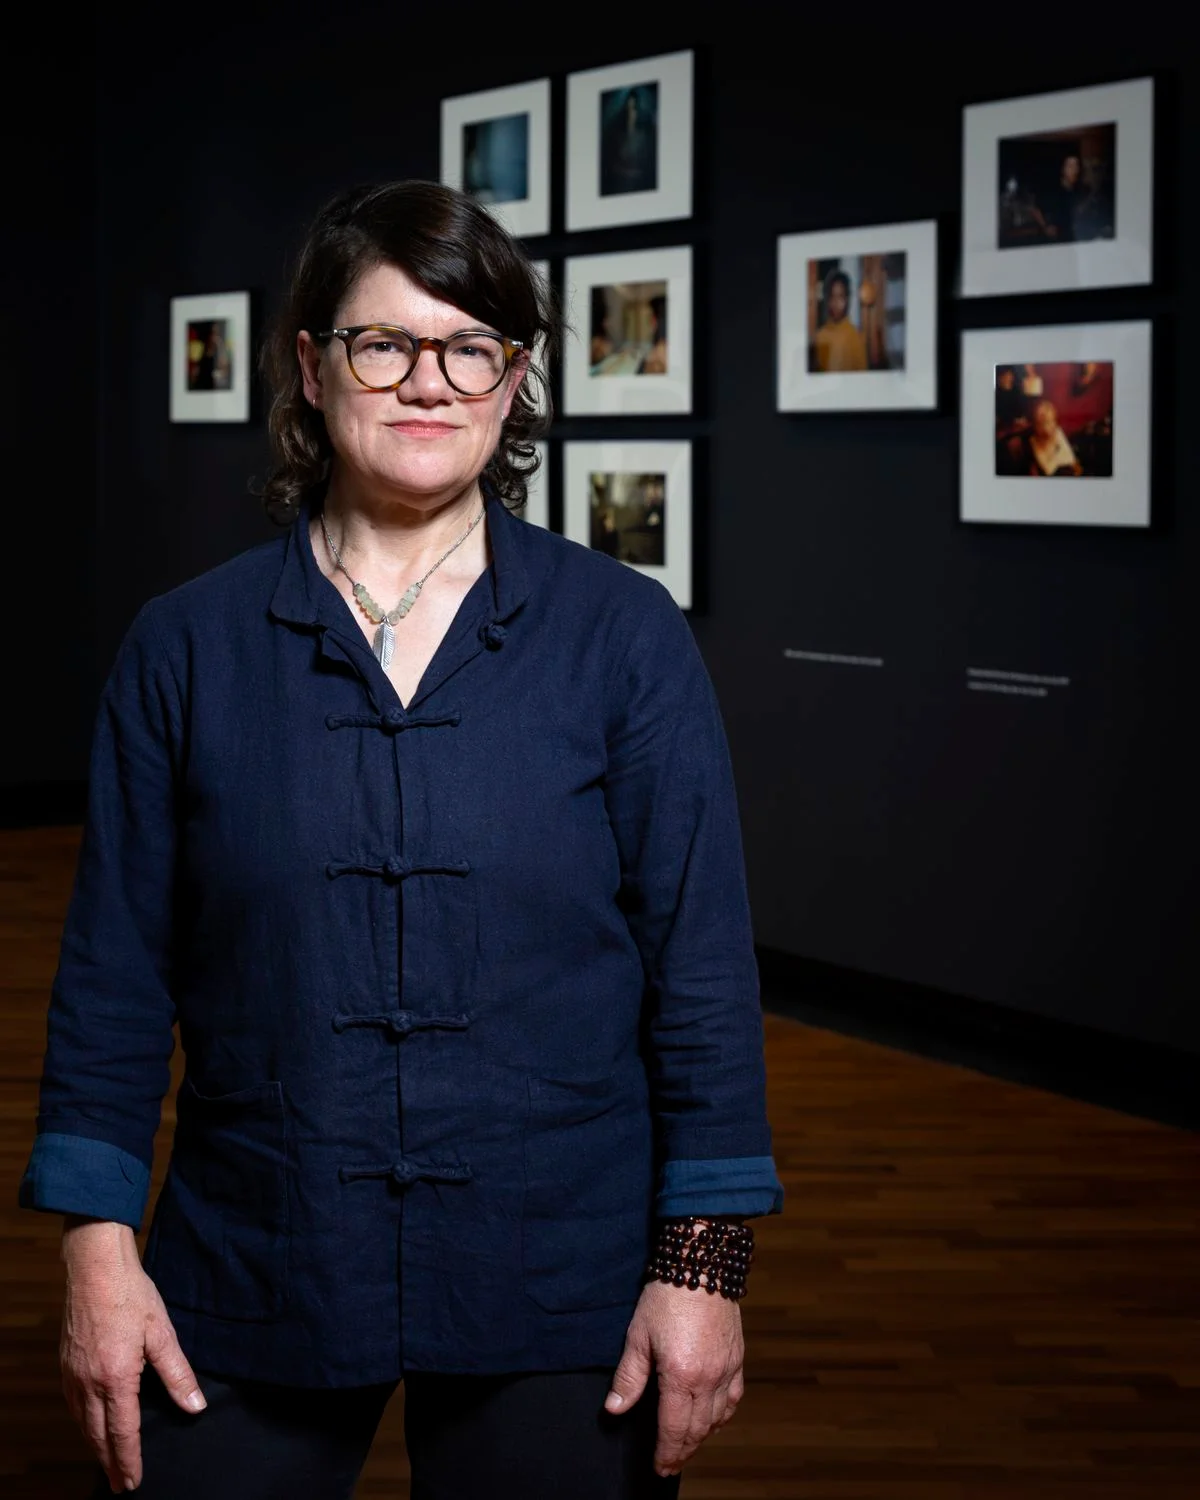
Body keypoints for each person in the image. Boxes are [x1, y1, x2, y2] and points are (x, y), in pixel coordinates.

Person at [19, 179, 783, 1500]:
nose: (429, 382)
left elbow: (701, 978)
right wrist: (97, 1253)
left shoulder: (624, 638)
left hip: (560, 1269)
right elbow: (112, 984)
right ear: (314, 369)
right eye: (386, 343)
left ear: (515, 378)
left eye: (472, 346)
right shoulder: (184, 648)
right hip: (259, 1253)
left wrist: (701, 1268)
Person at [810, 268, 867, 372]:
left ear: (847, 299)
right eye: (832, 296)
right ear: (827, 300)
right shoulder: (820, 336)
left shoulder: (856, 336)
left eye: (840, 297)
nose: (836, 303)